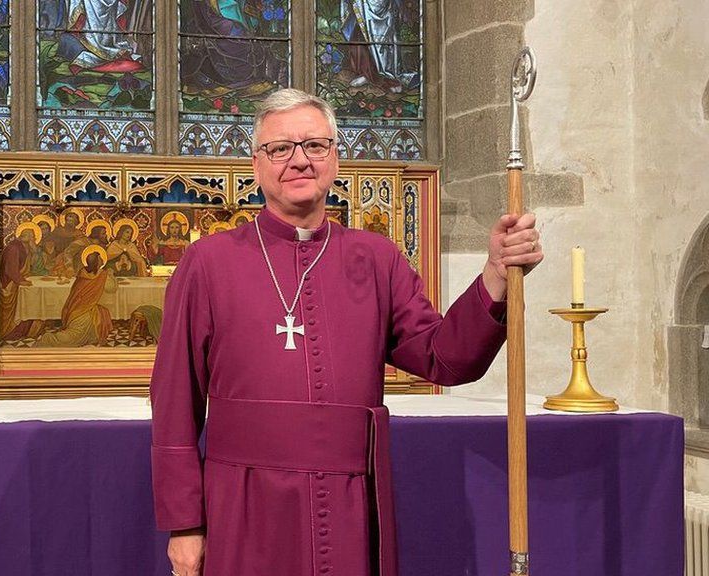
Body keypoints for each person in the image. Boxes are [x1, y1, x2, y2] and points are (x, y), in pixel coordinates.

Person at [150, 88, 544, 576]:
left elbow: (446, 358)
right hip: (242, 503)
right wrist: (184, 524)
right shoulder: (207, 263)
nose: (299, 160)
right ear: (256, 165)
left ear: (335, 159)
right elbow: (174, 401)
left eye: (315, 146)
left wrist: (496, 272)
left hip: (348, 504)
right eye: (280, 148)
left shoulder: (375, 259)